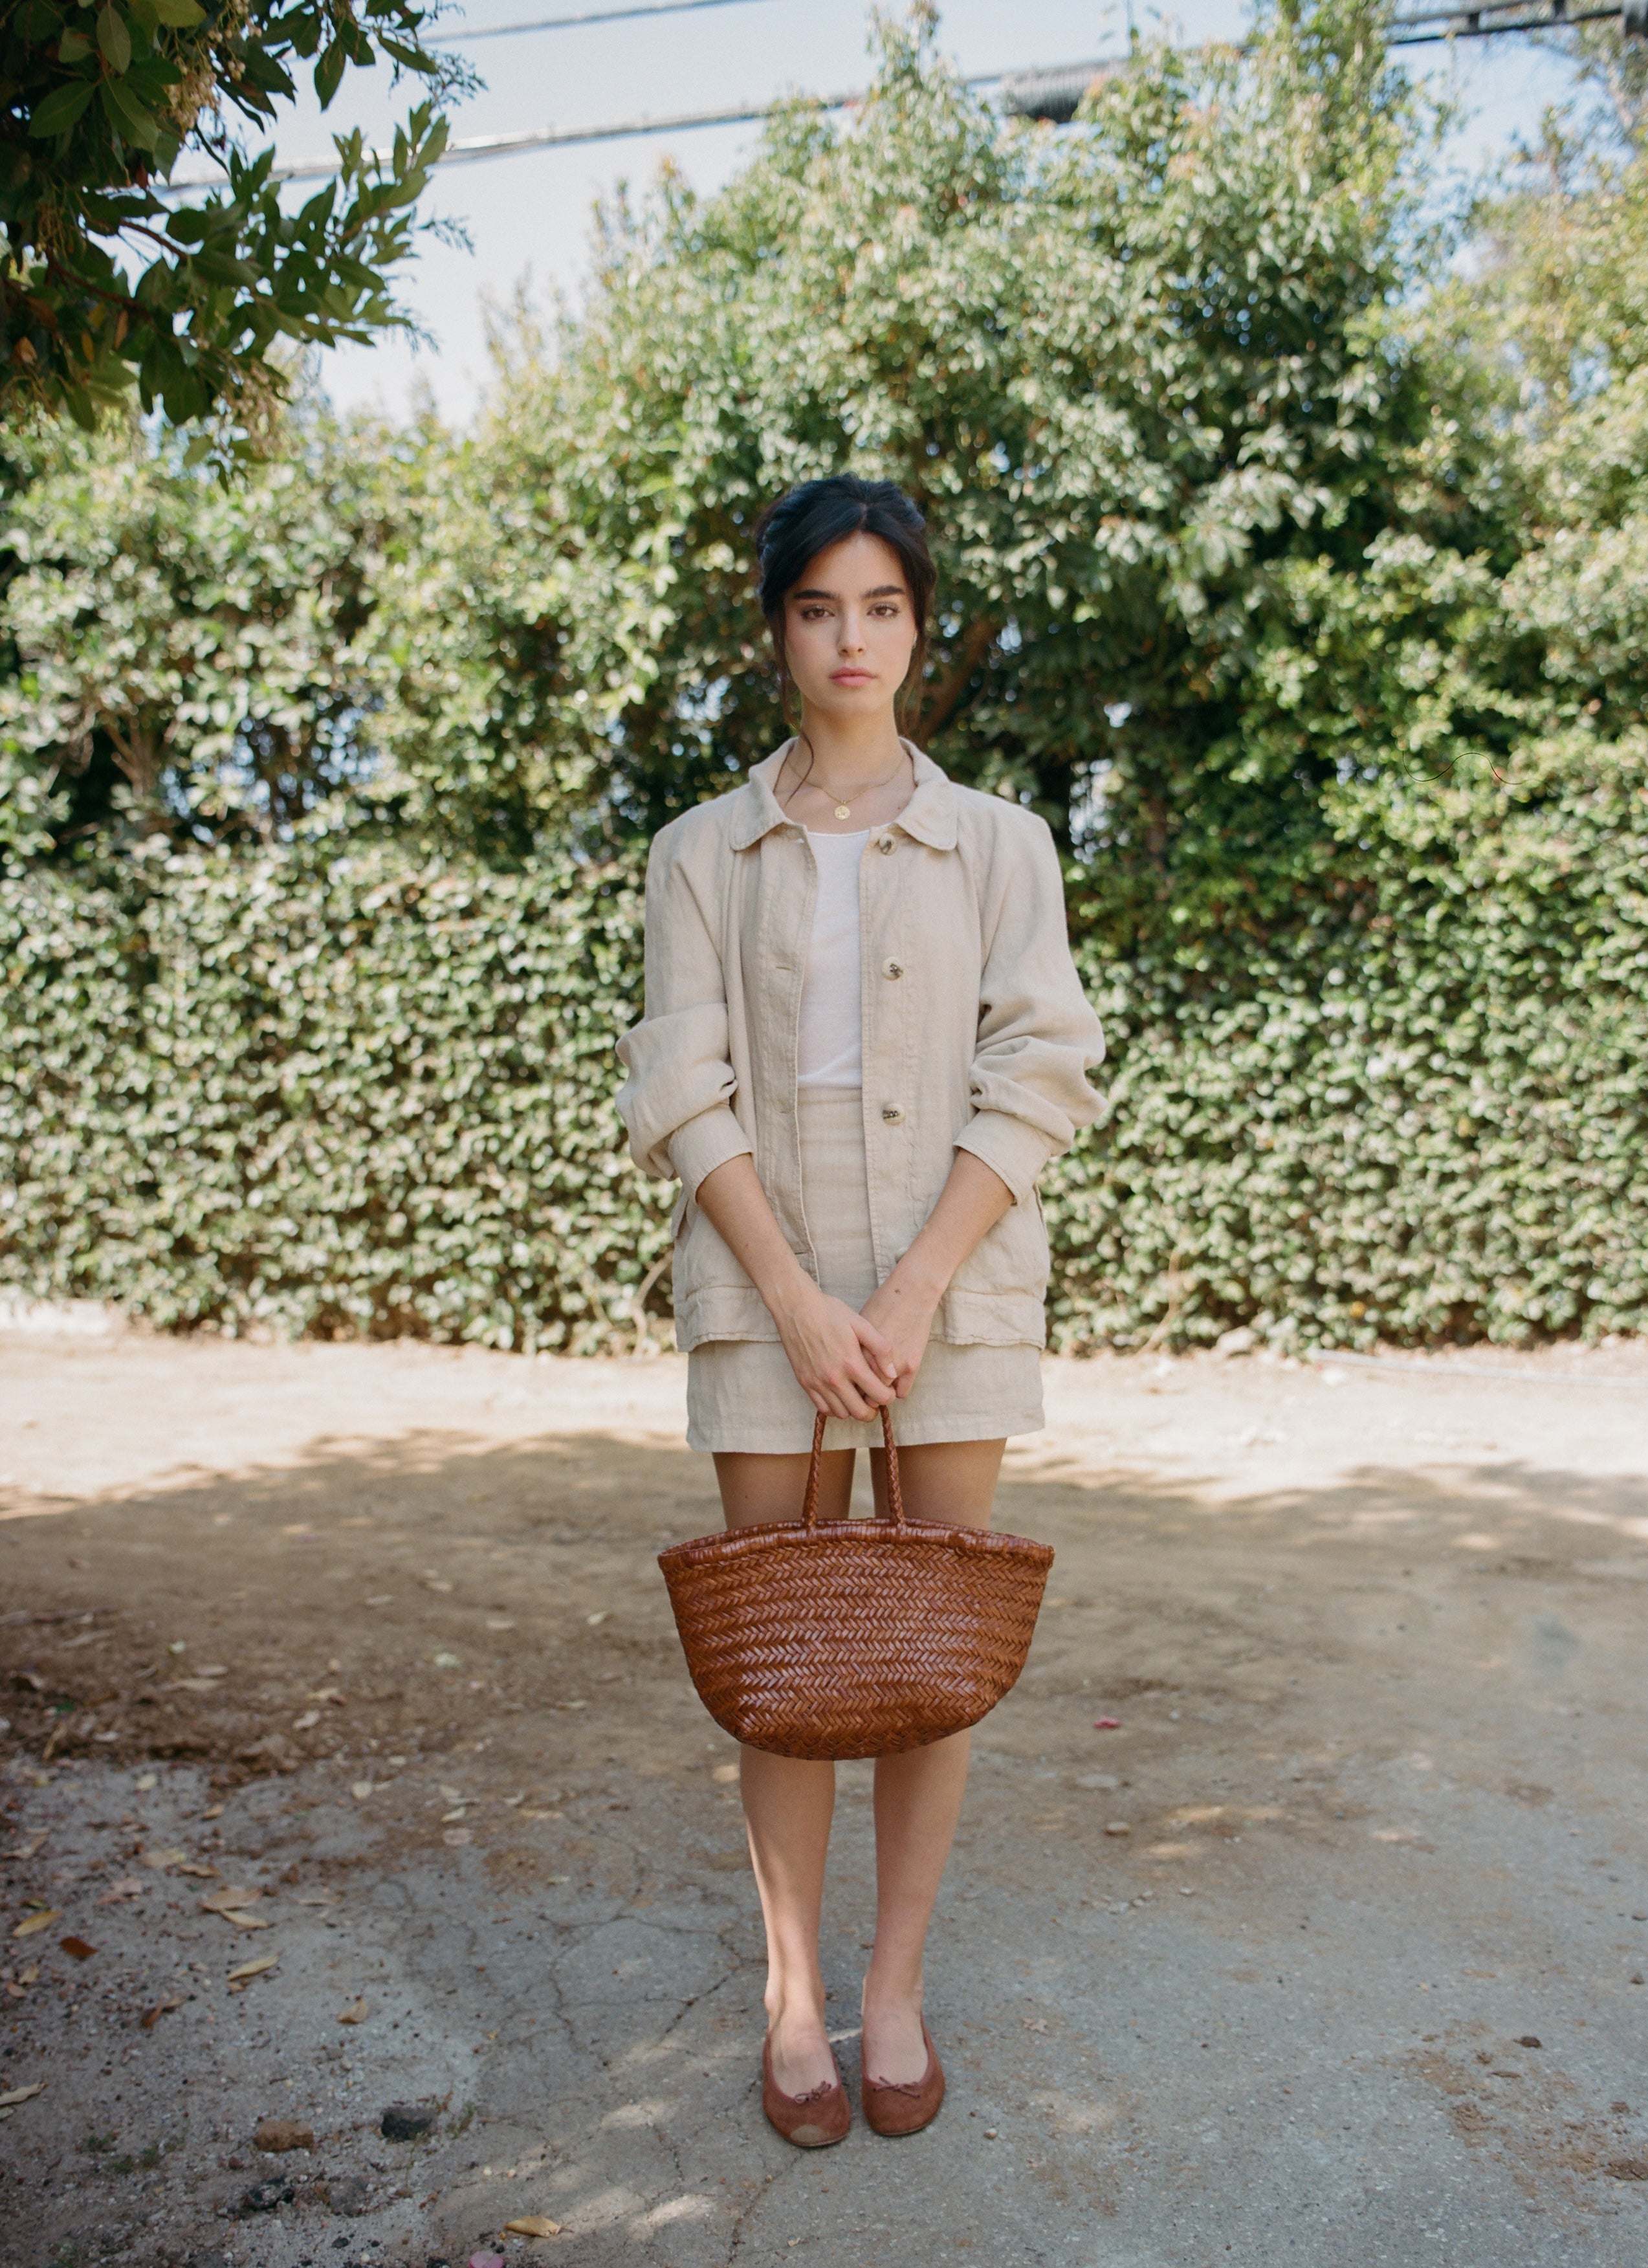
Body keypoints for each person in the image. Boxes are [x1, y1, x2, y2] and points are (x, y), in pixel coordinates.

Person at [615, 474, 1104, 2145]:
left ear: (920, 625)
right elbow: (684, 1089)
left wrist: (903, 1287)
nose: (851, 637)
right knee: (782, 1660)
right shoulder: (699, 850)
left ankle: (893, 1990)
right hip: (763, 1269)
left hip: (954, 1266)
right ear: (777, 630)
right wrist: (800, 1303)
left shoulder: (1001, 842)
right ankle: (795, 1998)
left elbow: (1043, 1066)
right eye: (818, 606)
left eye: (882, 606)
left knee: (928, 1658)